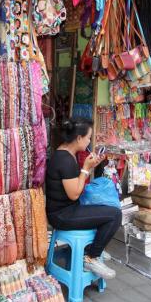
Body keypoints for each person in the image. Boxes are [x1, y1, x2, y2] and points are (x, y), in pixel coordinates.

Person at [45, 117, 121, 279]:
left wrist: (89, 167)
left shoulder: (66, 153)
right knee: (115, 215)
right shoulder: (65, 160)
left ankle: (94, 248)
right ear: (79, 138)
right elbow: (74, 193)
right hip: (62, 215)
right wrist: (86, 168)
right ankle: (91, 257)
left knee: (106, 206)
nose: (88, 142)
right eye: (88, 138)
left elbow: (74, 185)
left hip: (66, 209)